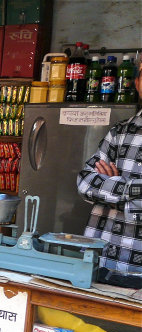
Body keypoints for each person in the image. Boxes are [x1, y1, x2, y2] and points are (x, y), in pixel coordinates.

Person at [77, 59, 142, 288]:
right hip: (101, 262)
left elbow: (97, 187)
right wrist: (131, 190)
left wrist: (111, 184)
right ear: (136, 82)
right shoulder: (120, 132)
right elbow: (85, 182)